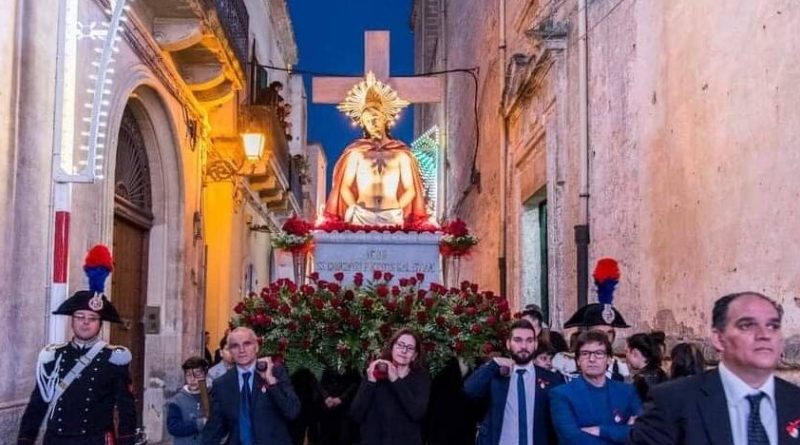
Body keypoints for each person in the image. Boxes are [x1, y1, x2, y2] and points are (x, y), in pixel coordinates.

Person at [630, 291, 800, 445]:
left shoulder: (794, 401)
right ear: (719, 338)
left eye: (773, 326)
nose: (764, 335)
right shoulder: (672, 402)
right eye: (747, 325)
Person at [17, 245, 138, 445]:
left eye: (92, 318)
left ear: (100, 324)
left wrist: (126, 440)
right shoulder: (53, 356)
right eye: (80, 316)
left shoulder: (114, 359)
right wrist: (25, 439)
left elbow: (126, 408)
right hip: (57, 440)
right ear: (72, 320)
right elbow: (37, 403)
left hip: (95, 440)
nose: (85, 322)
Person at [324, 72, 429, 227]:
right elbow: (345, 186)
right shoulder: (356, 153)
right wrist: (353, 207)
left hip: (392, 214)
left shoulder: (401, 154)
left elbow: (410, 189)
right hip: (361, 214)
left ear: (385, 118)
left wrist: (398, 208)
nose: (371, 123)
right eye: (367, 120)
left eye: (375, 117)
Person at [464, 319, 564, 445]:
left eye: (529, 340)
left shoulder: (552, 379)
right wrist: (494, 364)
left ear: (535, 344)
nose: (523, 346)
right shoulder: (494, 375)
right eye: (518, 340)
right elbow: (468, 392)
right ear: (508, 344)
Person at [200, 327, 300, 445]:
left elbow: (292, 411)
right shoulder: (222, 384)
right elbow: (214, 429)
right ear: (230, 351)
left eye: (247, 344)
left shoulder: (276, 372)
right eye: (235, 346)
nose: (241, 350)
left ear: (256, 347)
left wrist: (271, 382)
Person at [549, 330, 642, 445]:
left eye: (599, 353)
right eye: (585, 353)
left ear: (608, 359)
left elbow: (640, 432)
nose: (592, 359)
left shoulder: (627, 392)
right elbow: (572, 439)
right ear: (577, 360)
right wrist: (621, 433)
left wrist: (601, 431)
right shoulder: (561, 395)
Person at [350, 327, 431, 445]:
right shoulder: (375, 372)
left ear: (414, 355)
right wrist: (370, 382)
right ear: (392, 348)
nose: (403, 351)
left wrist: (395, 379)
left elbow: (417, 413)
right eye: (400, 345)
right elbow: (356, 414)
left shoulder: (421, 378)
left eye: (409, 348)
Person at [561, 258, 631, 381]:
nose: (605, 338)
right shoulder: (566, 367)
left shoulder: (622, 369)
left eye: (609, 333)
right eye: (600, 333)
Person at [167, 357, 210, 445]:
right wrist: (199, 424)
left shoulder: (212, 396)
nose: (192, 379)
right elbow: (173, 428)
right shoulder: (177, 401)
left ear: (205, 375)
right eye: (189, 375)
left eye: (197, 374)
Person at [318, 367, 360, 445]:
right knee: (326, 436)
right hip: (327, 407)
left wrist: (341, 398)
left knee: (344, 436)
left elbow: (356, 384)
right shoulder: (325, 360)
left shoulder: (353, 363)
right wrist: (326, 397)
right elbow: (319, 382)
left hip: (345, 409)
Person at [626, 333, 668, 401]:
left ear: (634, 353)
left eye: (627, 352)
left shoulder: (642, 380)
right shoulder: (661, 373)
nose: (626, 356)